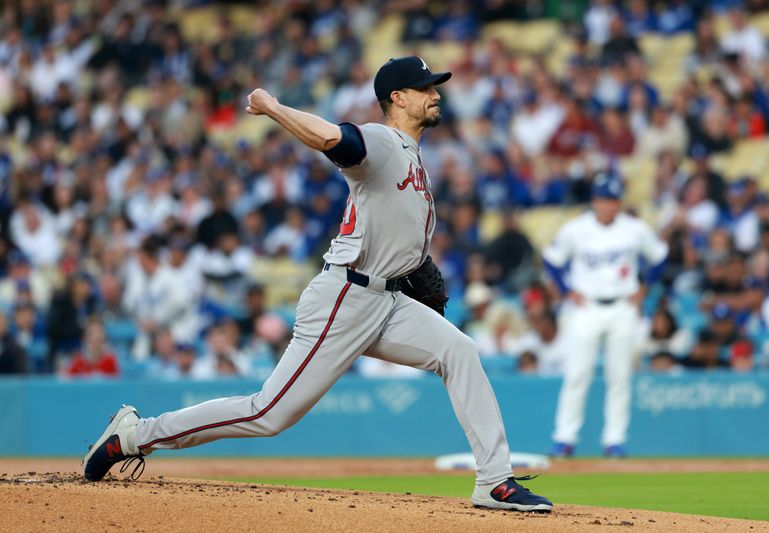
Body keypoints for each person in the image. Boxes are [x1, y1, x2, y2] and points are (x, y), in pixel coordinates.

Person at [82, 56, 552, 513]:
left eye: (435, 87)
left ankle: (494, 482)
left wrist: (411, 263)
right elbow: (331, 137)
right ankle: (135, 435)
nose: (435, 94)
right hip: (346, 298)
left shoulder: (410, 154)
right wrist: (273, 107)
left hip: (386, 298)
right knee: (267, 414)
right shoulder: (384, 142)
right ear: (398, 97)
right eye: (426, 88)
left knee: (460, 351)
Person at [543, 173, 668, 458]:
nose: (608, 205)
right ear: (594, 201)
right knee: (577, 373)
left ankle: (615, 439)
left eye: (613, 200)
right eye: (603, 199)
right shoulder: (576, 229)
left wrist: (645, 287)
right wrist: (566, 290)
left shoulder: (634, 229)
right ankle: (565, 437)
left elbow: (660, 257)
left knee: (620, 375)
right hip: (586, 306)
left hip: (624, 305)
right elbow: (552, 261)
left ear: (619, 202)